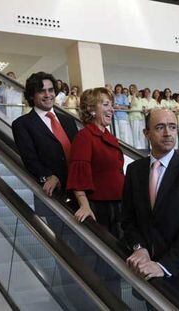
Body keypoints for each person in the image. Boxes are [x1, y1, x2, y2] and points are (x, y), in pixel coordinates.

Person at [122, 109, 179, 309]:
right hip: (149, 279)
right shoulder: (134, 170)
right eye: (160, 127)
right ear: (146, 133)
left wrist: (164, 266)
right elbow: (128, 219)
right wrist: (140, 249)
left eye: (172, 127)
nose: (168, 133)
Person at [12, 72, 78, 226]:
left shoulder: (68, 121)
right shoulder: (22, 124)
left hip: (79, 192)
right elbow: (30, 160)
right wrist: (49, 175)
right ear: (32, 95)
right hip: (53, 194)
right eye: (42, 91)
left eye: (51, 90)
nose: (48, 94)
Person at [67, 87, 124, 234]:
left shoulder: (110, 137)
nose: (111, 109)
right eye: (105, 105)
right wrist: (84, 206)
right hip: (99, 208)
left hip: (119, 205)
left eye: (111, 105)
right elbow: (78, 176)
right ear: (91, 109)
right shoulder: (84, 137)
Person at [128, 84, 147, 149]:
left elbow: (142, 107)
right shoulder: (129, 97)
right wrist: (133, 95)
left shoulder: (139, 98)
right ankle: (136, 147)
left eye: (133, 88)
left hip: (140, 117)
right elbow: (130, 105)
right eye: (131, 88)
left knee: (141, 133)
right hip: (133, 116)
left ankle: (142, 147)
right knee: (135, 132)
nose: (132, 89)